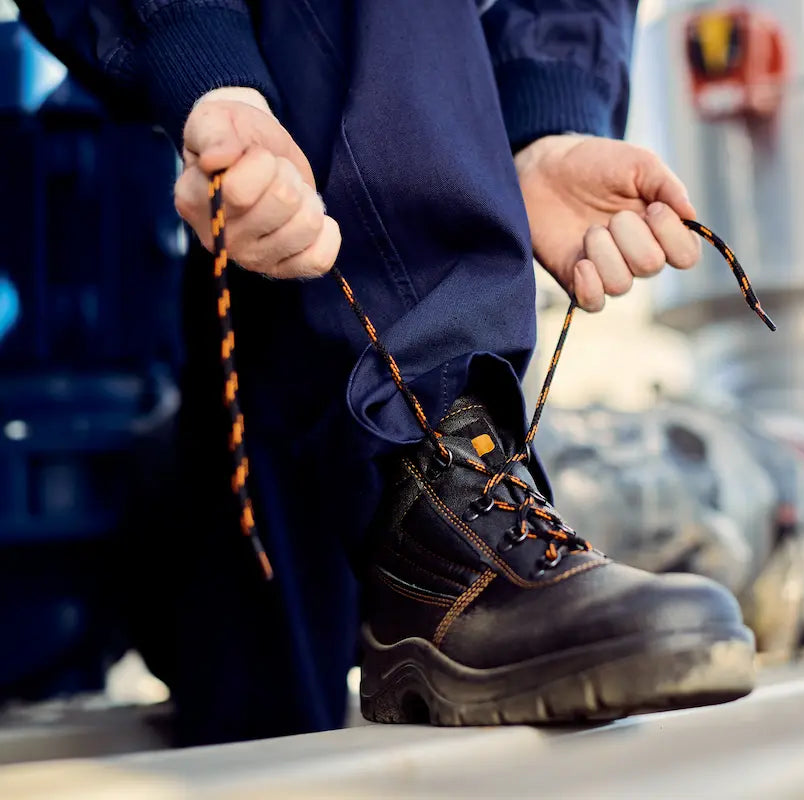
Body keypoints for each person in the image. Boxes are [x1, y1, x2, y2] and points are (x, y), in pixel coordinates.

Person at [16, 0, 755, 743]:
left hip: (286, 320)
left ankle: (427, 505)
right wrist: (205, 66)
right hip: (209, 132)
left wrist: (545, 109)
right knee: (260, 695)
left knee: (261, 717)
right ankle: (436, 473)